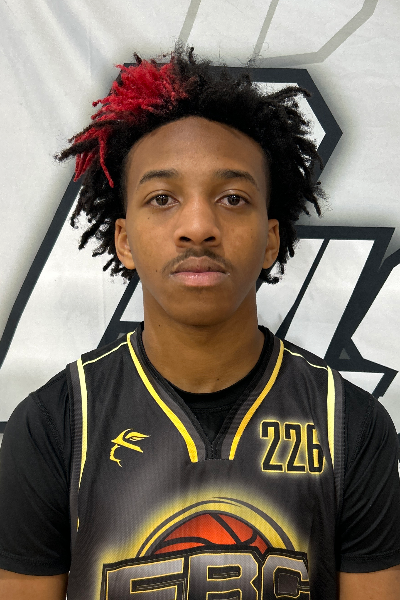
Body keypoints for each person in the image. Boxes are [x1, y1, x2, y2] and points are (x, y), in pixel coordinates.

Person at [0, 44, 399, 600]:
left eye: (232, 198)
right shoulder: (56, 424)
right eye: (163, 198)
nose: (197, 226)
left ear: (271, 240)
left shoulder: (349, 426)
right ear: (124, 240)